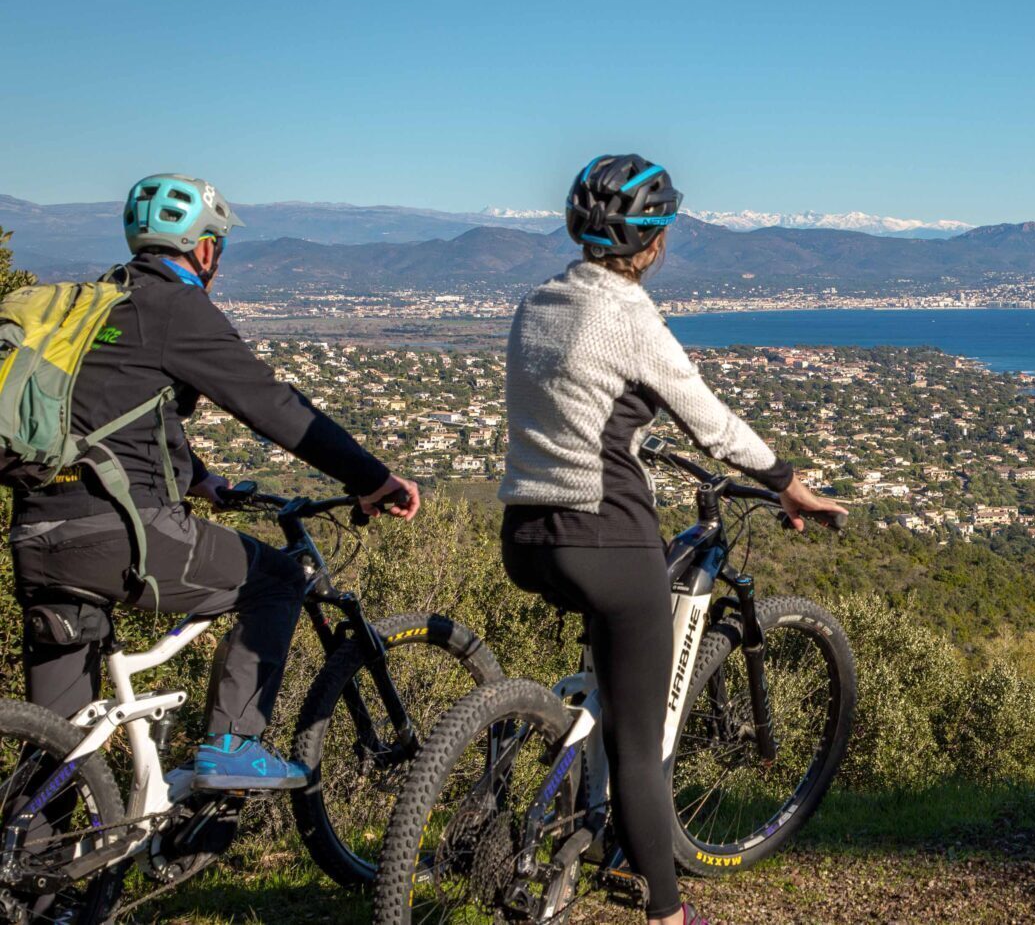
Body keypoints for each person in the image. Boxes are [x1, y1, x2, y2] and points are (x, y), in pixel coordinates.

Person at [500, 154, 845, 925]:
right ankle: (666, 911)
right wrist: (789, 482)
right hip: (604, 537)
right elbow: (711, 421)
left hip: (524, 533)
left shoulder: (538, 300)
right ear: (652, 243)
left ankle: (568, 808)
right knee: (642, 743)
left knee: (606, 683)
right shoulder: (626, 315)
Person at [8, 173, 420, 791]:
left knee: (58, 750)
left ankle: (44, 877)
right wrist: (374, 478)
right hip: (122, 533)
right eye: (218, 246)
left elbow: (119, 414)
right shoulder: (175, 307)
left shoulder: (101, 303)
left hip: (38, 531)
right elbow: (273, 406)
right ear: (204, 249)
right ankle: (234, 744)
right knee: (279, 579)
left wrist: (201, 480)